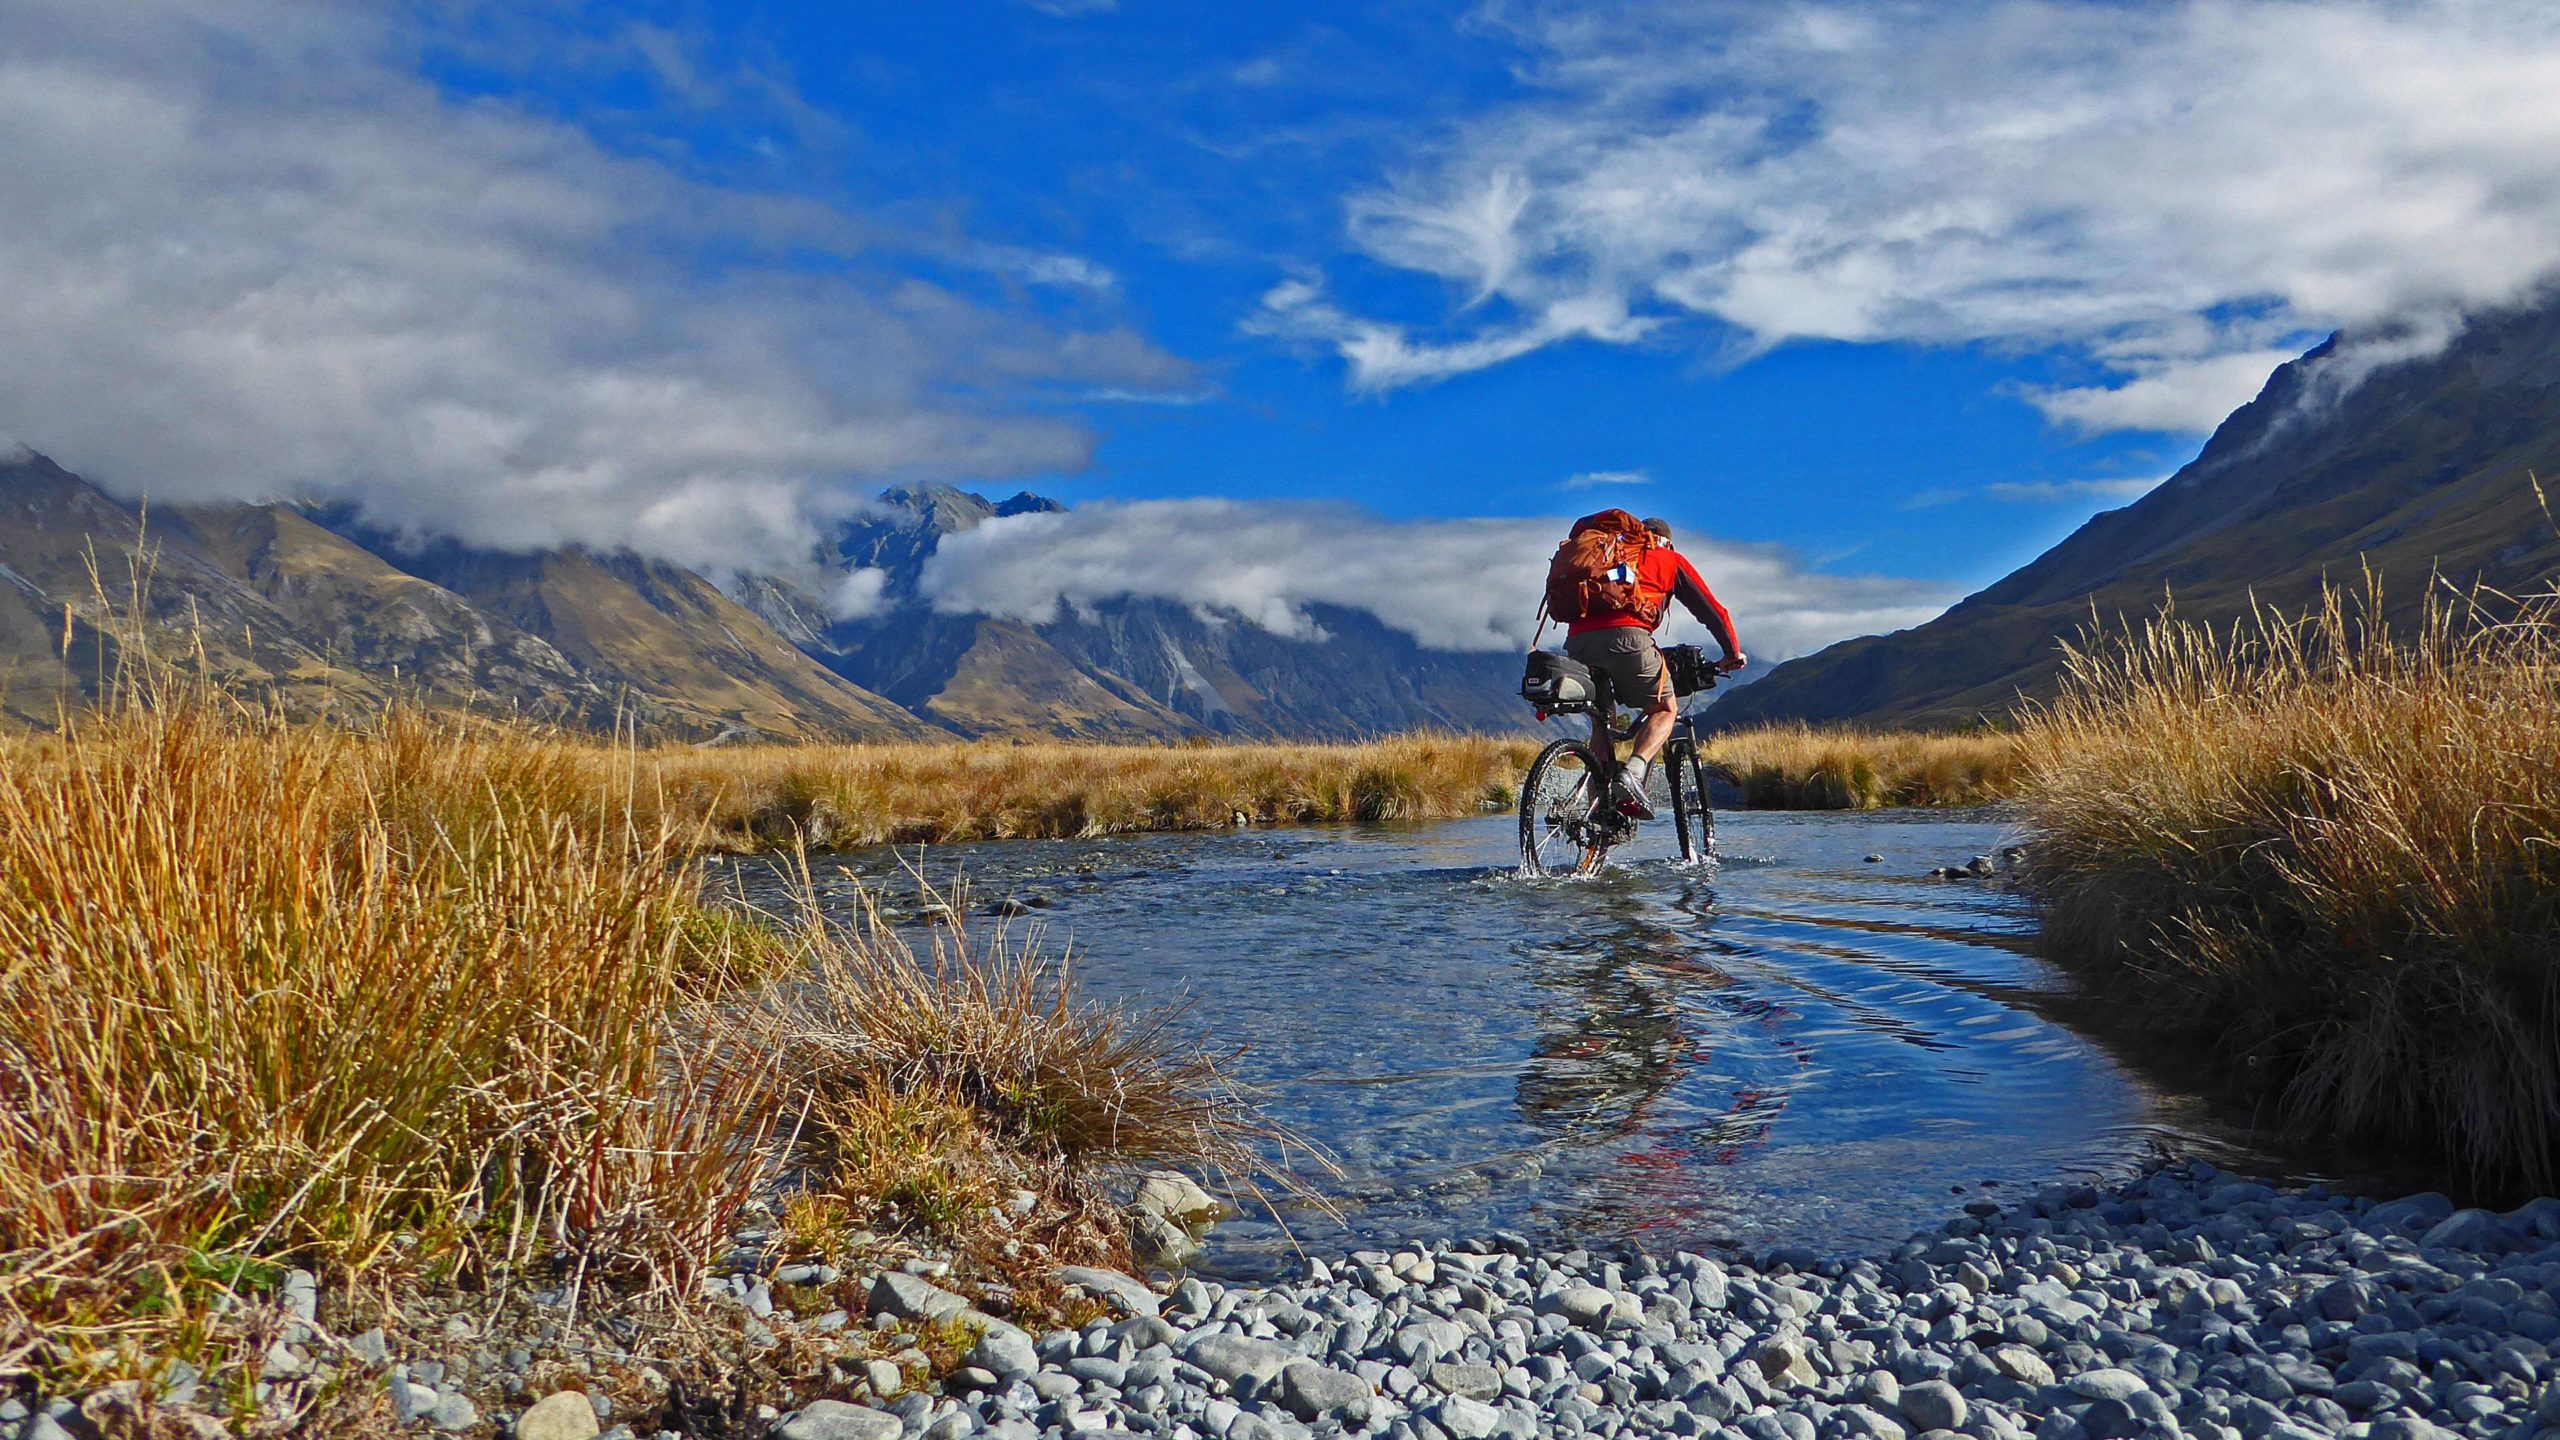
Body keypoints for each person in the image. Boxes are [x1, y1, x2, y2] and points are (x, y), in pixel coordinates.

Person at [1563, 516, 1746, 818]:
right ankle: (1632, 773)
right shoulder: (1669, 558)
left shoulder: (1607, 552)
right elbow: (1713, 612)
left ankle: (1600, 811)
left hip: (1577, 642)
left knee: (1601, 722)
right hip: (1628, 638)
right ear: (1667, 540)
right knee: (1664, 709)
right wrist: (1732, 653)